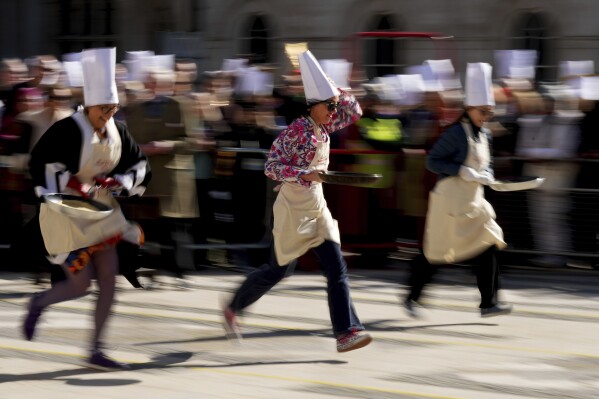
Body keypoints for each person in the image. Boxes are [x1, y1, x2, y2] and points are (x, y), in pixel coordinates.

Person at [222, 50, 372, 353]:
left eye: (333, 106)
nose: (334, 111)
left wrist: (334, 88)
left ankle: (347, 332)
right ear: (313, 106)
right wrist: (306, 173)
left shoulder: (325, 127)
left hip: (317, 207)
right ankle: (234, 306)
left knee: (336, 268)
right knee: (279, 271)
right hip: (291, 209)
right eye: (329, 106)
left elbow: (354, 110)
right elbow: (271, 167)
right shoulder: (294, 132)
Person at [20, 48, 151, 370]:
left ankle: (96, 348)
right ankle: (38, 302)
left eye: (113, 108)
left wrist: (121, 180)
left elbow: (139, 163)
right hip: (65, 212)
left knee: (109, 280)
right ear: (89, 105)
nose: (108, 114)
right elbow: (41, 162)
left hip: (101, 211)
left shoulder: (119, 131)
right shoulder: (67, 128)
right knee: (80, 285)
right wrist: (72, 183)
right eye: (103, 109)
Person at [402, 63, 513, 318]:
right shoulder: (455, 133)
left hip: (474, 202)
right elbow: (433, 161)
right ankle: (412, 296)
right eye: (483, 111)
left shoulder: (486, 134)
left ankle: (489, 302)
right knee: (435, 252)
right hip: (450, 201)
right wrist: (461, 171)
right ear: (470, 108)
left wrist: (488, 176)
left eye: (490, 112)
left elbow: (488, 163)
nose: (486, 116)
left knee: (490, 243)